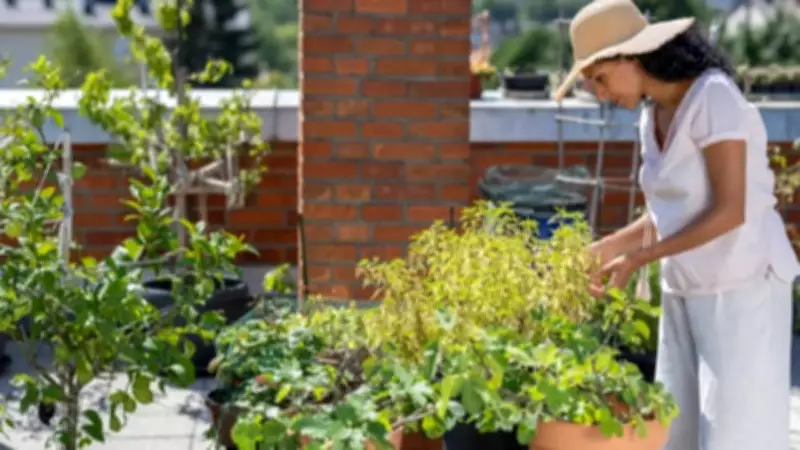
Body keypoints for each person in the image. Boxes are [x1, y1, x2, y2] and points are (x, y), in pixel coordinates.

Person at [553, 1, 800, 449]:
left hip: (742, 288)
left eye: (600, 78)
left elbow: (730, 210)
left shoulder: (713, 98)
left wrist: (639, 259)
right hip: (685, 288)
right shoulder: (652, 117)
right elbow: (668, 214)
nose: (600, 93)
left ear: (632, 56)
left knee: (735, 437)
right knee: (677, 434)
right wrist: (600, 251)